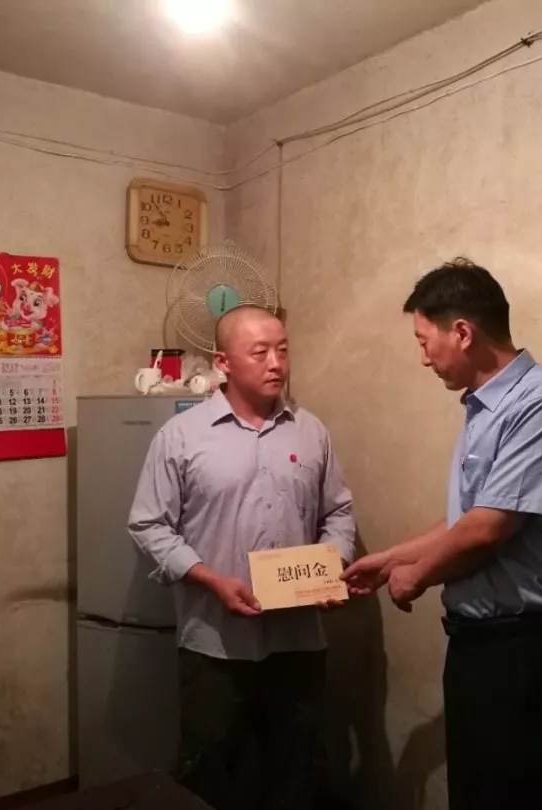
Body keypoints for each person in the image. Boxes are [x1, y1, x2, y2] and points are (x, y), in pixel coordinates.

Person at [342, 258, 542, 810]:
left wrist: (416, 576)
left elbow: (488, 530)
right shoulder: (485, 406)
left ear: (462, 332)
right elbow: (468, 518)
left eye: (424, 341)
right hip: (481, 647)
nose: (423, 358)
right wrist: (390, 559)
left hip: (528, 651)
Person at [128, 304, 356, 810]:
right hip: (215, 645)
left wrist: (332, 569)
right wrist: (210, 579)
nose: (276, 363)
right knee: (210, 776)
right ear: (223, 363)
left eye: (283, 350)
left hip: (297, 643)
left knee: (294, 773)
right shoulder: (182, 436)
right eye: (260, 352)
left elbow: (338, 512)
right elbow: (148, 523)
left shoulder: (310, 432)